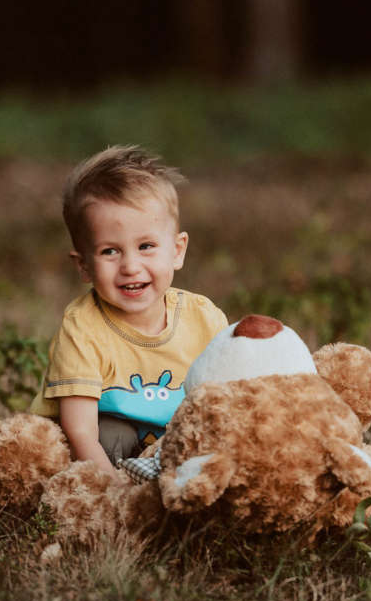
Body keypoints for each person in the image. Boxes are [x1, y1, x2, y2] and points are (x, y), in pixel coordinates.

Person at [28, 145, 227, 475]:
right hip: (101, 454)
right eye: (110, 252)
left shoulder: (203, 317)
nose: (131, 266)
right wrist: (114, 496)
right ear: (84, 267)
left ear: (177, 251)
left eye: (146, 246)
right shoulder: (83, 328)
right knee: (110, 432)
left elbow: (232, 399)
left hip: (175, 450)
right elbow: (80, 432)